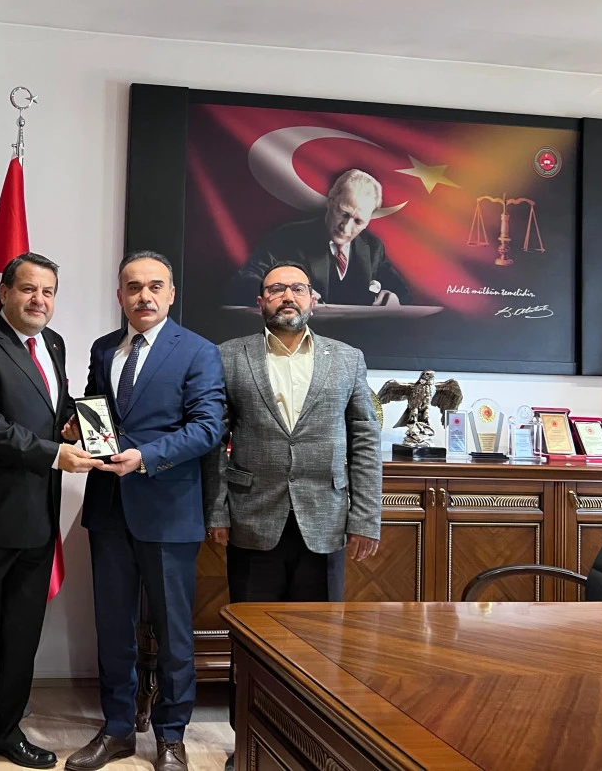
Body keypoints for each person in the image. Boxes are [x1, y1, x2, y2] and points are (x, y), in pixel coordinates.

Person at [203, 260, 383, 771]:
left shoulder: (346, 358)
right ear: (260, 301)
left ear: (313, 300)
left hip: (325, 520)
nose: (287, 296)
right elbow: (214, 441)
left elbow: (365, 439)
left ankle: (312, 745)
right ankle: (248, 744)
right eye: (276, 289)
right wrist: (216, 510)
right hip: (251, 518)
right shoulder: (229, 356)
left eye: (297, 288)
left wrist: (365, 517)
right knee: (252, 643)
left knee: (320, 644)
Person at [66, 251, 226, 771]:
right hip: (109, 508)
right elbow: (97, 410)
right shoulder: (103, 348)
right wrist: (78, 427)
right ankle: (116, 730)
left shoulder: (198, 351)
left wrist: (147, 457)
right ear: (120, 296)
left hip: (169, 510)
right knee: (113, 629)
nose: (144, 296)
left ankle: (171, 737)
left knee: (174, 634)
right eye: (133, 287)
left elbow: (208, 428)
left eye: (155, 286)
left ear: (171, 294)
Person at [0, 253, 101, 771]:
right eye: (29, 289)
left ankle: (6, 731)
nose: (39, 300)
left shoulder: (52, 343)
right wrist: (55, 453)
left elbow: (52, 409)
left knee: (20, 635)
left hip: (38, 519)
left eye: (48, 292)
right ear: (4, 293)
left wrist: (74, 426)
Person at [223, 169, 411, 307]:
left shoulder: (372, 247)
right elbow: (242, 283)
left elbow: (404, 295)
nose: (346, 228)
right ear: (330, 200)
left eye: (358, 221)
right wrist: (288, 294)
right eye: (343, 213)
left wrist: (394, 300)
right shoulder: (288, 237)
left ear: (369, 220)